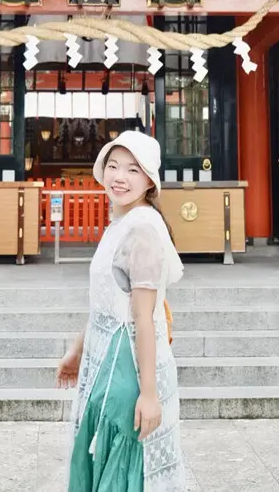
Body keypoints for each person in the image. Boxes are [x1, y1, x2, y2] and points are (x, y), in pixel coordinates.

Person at [56, 130, 186, 492]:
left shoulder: (142, 230)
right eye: (113, 166)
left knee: (122, 467)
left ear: (149, 180)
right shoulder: (121, 223)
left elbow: (143, 317)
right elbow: (108, 302)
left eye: (133, 170)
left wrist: (149, 394)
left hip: (126, 364)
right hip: (105, 360)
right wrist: (77, 350)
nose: (120, 177)